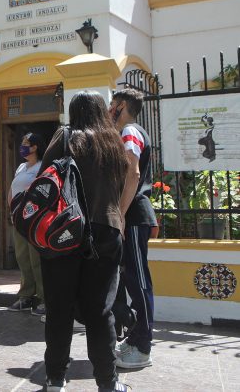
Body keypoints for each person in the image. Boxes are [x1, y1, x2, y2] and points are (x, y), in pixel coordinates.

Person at [38, 91, 130, 392]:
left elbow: (44, 179)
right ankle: (107, 382)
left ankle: (55, 379)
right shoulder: (115, 142)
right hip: (107, 229)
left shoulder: (67, 137)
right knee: (100, 310)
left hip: (66, 231)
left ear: (74, 111)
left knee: (59, 307)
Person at [109, 88, 157, 369]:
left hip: (134, 216)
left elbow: (133, 171)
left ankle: (143, 346)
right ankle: (136, 337)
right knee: (132, 280)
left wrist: (122, 214)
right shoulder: (129, 130)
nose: (110, 108)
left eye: (113, 104)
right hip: (132, 215)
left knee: (139, 283)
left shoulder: (129, 130)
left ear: (122, 105)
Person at [7, 132, 46, 315]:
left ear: (35, 147)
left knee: (36, 259)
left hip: (34, 221)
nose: (22, 146)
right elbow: (12, 189)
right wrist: (11, 211)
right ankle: (26, 295)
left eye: (25, 143)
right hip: (18, 219)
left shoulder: (42, 167)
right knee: (22, 258)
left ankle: (43, 298)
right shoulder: (21, 167)